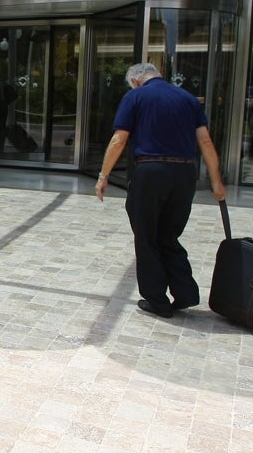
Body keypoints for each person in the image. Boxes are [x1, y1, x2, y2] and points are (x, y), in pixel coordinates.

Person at [95, 62, 226, 318]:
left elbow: (119, 139)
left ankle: (156, 300)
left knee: (146, 236)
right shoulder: (188, 99)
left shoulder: (135, 97)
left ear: (135, 81)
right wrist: (216, 181)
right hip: (184, 173)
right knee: (168, 235)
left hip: (151, 172)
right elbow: (205, 141)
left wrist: (104, 175)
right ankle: (185, 292)